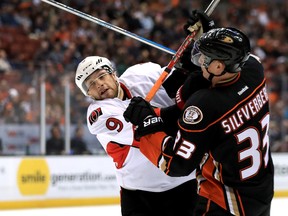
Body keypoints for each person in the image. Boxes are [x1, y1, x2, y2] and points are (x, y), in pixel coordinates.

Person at [123, 27, 274, 215]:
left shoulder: (204, 104)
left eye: (205, 58)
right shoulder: (254, 69)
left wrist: (147, 125)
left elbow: (175, 164)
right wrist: (208, 32)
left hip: (226, 203)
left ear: (219, 67)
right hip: (261, 191)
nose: (200, 61)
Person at [74, 55, 197, 216]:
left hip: (185, 183)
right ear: (89, 94)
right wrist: (186, 113)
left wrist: (191, 64)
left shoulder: (142, 73)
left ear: (113, 73)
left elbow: (177, 85)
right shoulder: (98, 116)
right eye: (91, 84)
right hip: (139, 196)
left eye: (101, 76)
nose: (99, 85)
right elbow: (151, 129)